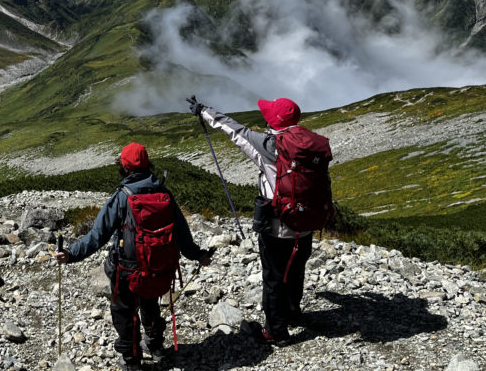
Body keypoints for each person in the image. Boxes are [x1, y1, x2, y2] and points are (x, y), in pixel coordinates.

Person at [54, 142, 212, 370]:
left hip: (128, 270)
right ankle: (156, 346)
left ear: (124, 167)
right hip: (159, 266)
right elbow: (182, 234)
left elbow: (97, 235)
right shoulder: (164, 194)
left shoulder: (121, 197)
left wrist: (70, 255)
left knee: (124, 313)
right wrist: (199, 255)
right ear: (147, 164)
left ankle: (132, 360)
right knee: (151, 301)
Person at [190, 96, 315, 344]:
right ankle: (292, 312)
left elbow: (237, 131)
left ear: (276, 120)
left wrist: (204, 111)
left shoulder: (270, 144)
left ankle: (275, 332)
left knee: (273, 278)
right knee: (296, 268)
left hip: (279, 226)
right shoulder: (310, 143)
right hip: (307, 224)